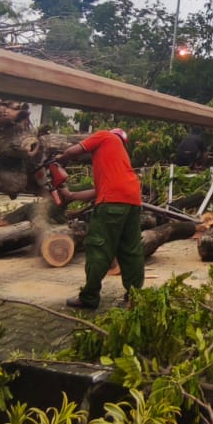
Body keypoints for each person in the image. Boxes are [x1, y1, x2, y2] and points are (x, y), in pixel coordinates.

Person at [55, 128, 145, 311]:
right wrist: (71, 195)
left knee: (98, 248)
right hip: (133, 201)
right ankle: (135, 297)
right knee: (131, 250)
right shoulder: (118, 162)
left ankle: (89, 297)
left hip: (111, 204)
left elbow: (75, 151)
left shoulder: (105, 135)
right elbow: (97, 192)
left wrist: (60, 160)